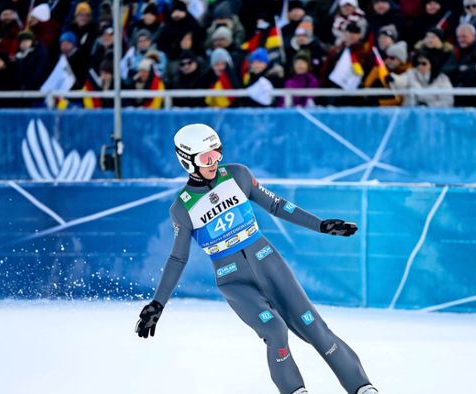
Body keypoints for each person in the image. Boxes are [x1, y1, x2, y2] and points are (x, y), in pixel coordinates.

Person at [135, 124, 379, 394]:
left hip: (269, 262)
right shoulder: (182, 208)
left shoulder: (238, 175)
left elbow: (277, 205)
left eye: (217, 153)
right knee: (275, 330)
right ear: (186, 161)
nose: (214, 161)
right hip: (234, 281)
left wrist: (320, 225)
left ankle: (363, 388)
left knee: (315, 328)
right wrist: (158, 303)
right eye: (206, 158)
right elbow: (177, 258)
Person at [390, 50, 454, 107]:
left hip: (434, 115)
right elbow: (401, 80)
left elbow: (448, 101)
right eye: (418, 63)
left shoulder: (442, 78)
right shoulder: (411, 73)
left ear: (431, 64)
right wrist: (393, 79)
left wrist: (428, 106)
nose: (420, 66)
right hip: (412, 113)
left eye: (424, 63)